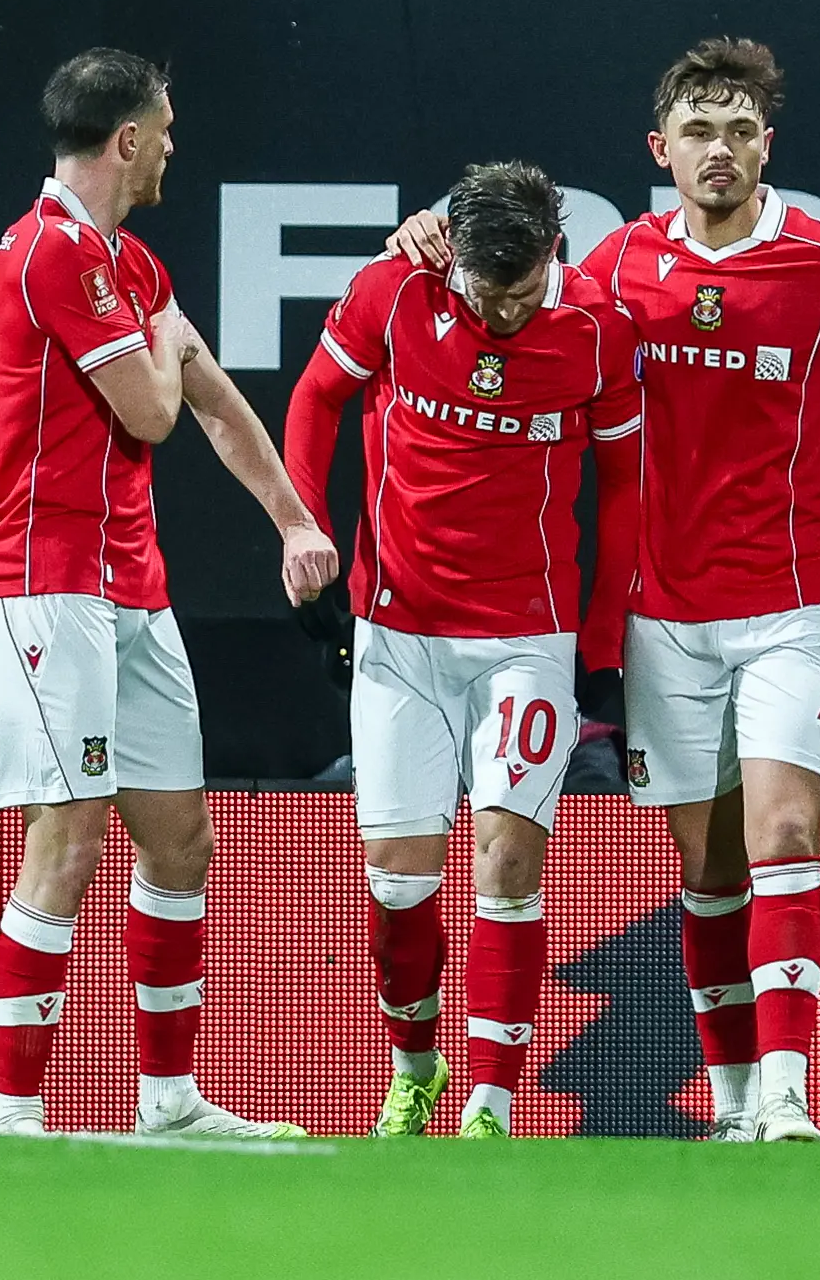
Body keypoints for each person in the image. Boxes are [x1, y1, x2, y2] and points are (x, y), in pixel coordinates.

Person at [390, 36, 820, 1140]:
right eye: (696, 131)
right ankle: (729, 1103)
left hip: (798, 599)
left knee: (781, 835)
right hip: (663, 615)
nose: (717, 150)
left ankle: (783, 1097)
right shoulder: (619, 267)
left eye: (737, 131)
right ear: (658, 149)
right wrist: (423, 243)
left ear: (766, 146)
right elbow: (504, 291)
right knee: (708, 866)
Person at [0, 48, 339, 1138]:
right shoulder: (54, 254)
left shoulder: (131, 265)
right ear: (125, 140)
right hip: (44, 586)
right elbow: (153, 412)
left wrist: (294, 523)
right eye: (165, 129)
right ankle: (15, 1113)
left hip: (131, 585)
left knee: (181, 841)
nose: (175, 145)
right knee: (69, 838)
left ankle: (169, 1104)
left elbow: (216, 400)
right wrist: (166, 353)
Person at [284, 160, 642, 1137]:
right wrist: (301, 528)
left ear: (553, 256)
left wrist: (600, 645)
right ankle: (416, 1067)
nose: (506, 317)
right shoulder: (395, 287)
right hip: (398, 636)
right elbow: (317, 399)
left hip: (526, 639)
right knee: (400, 884)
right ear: (456, 263)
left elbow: (622, 487)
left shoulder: (598, 328)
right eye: (488, 296)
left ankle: (489, 1102)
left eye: (523, 294)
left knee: (508, 862)